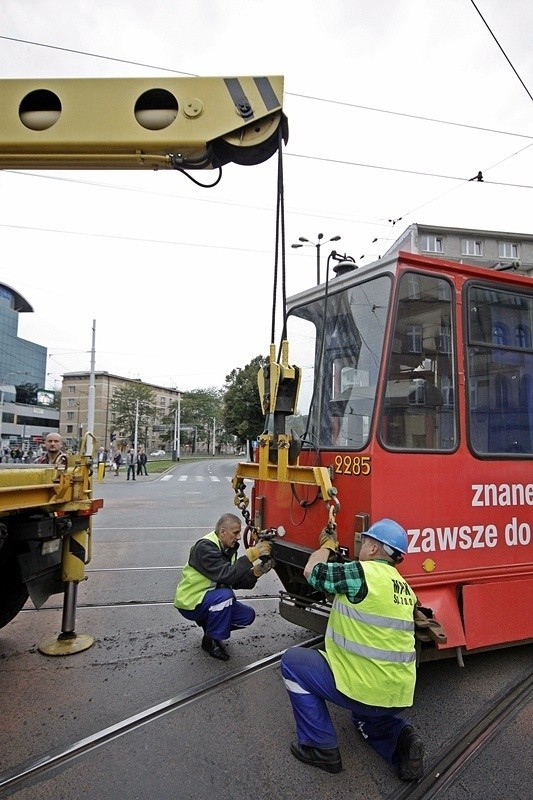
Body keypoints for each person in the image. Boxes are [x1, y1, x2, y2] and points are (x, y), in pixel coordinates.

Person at [280, 518, 424, 781]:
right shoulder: (405, 588)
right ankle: (402, 739)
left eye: (364, 541)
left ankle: (320, 747)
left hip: (362, 688)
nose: (361, 546)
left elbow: (311, 571)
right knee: (366, 718)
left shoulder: (360, 573)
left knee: (292, 663)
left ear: (372, 549)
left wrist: (326, 545)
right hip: (398, 695)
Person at [174, 512, 273, 661]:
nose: (239, 537)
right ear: (222, 532)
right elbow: (227, 575)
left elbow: (234, 580)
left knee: (247, 616)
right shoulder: (205, 548)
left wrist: (256, 572)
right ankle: (211, 640)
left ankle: (210, 627)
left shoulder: (227, 548)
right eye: (236, 532)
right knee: (225, 596)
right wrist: (252, 554)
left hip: (209, 599)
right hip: (191, 602)